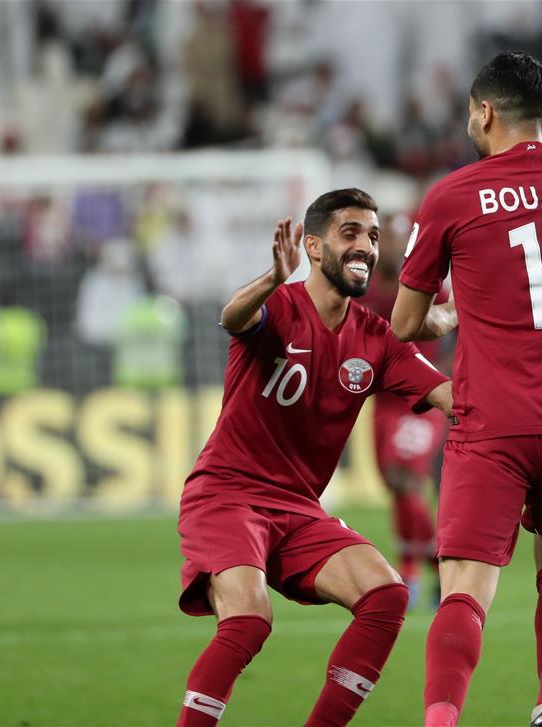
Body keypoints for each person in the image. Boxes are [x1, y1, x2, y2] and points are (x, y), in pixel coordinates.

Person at [391, 52, 542, 727]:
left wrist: (450, 315)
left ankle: (441, 721)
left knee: (464, 589)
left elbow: (405, 324)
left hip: (495, 422)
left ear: (485, 112)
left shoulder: (452, 195)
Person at [176, 188, 452, 727]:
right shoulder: (278, 306)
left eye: (373, 236)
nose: (366, 246)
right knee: (249, 620)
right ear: (314, 247)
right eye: (351, 233)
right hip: (228, 497)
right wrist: (272, 279)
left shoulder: (376, 339)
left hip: (299, 510)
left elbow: (451, 397)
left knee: (386, 596)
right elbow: (234, 316)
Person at [361, 212, 452, 606]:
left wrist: (445, 377)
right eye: (386, 239)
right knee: (396, 486)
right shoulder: (364, 290)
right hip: (383, 401)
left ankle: (435, 566)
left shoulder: (428, 287)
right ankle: (413, 570)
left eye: (400, 240)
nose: (394, 248)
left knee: (407, 478)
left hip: (421, 397)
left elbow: (455, 326)